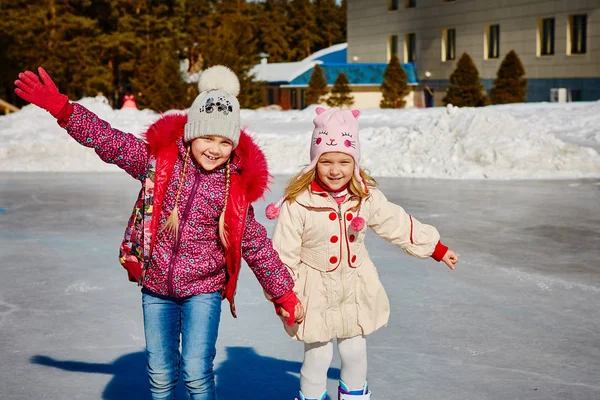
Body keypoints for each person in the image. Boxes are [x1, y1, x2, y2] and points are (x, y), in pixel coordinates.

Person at [14, 65, 304, 400]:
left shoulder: (233, 189)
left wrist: (284, 294)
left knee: (196, 372)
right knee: (160, 374)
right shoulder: (158, 163)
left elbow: (257, 247)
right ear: (191, 134)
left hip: (203, 291)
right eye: (207, 137)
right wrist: (64, 110)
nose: (214, 148)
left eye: (225, 142)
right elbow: (111, 141)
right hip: (156, 288)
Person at [265, 107, 459, 400]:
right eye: (326, 161)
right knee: (318, 354)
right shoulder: (298, 204)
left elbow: (396, 222)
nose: (335, 170)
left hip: (355, 287)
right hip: (313, 291)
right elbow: (283, 255)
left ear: (354, 163)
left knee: (355, 349)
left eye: (344, 161)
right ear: (314, 162)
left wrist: (435, 248)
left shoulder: (364, 196)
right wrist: (284, 296)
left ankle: (354, 396)